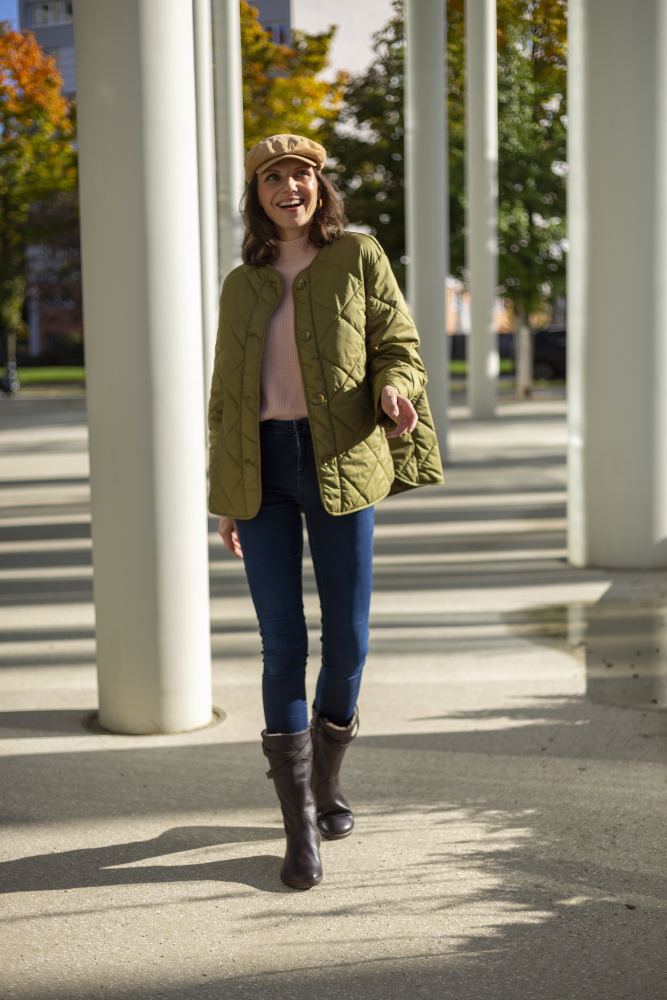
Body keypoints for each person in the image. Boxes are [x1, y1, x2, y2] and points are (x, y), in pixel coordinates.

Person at [207, 133, 444, 890]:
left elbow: (397, 342)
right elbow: (225, 399)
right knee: (283, 642)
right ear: (258, 195)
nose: (288, 188)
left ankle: (325, 783)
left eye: (301, 175)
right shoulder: (241, 283)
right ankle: (297, 827)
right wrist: (227, 496)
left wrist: (393, 387)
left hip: (342, 457)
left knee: (346, 638)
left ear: (319, 188)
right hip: (264, 470)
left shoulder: (359, 256)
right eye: (274, 177)